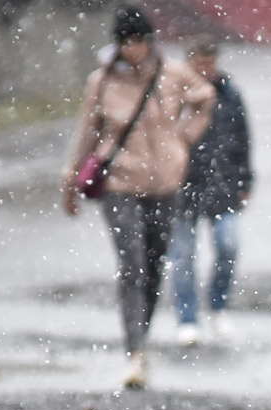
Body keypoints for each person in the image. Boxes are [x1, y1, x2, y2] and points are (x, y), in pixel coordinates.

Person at [61, 5, 214, 389]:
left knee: (153, 263)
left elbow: (205, 97)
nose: (134, 50)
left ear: (150, 42)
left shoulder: (172, 74)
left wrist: (183, 138)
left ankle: (140, 335)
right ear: (117, 45)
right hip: (120, 184)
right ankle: (134, 351)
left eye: (141, 41)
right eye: (127, 42)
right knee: (132, 264)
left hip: (165, 184)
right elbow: (86, 131)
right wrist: (69, 180)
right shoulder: (102, 82)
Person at [168, 34, 253, 346]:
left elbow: (242, 140)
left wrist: (245, 181)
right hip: (180, 187)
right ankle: (188, 318)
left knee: (228, 246)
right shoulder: (174, 95)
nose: (205, 68)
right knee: (183, 256)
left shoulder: (229, 95)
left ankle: (218, 306)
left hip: (222, 186)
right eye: (199, 62)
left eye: (209, 62)